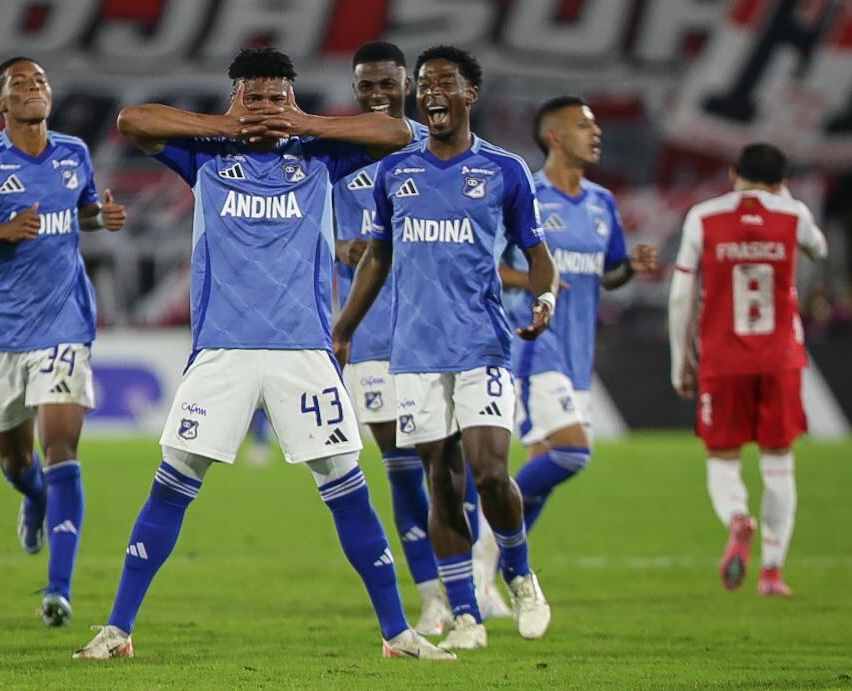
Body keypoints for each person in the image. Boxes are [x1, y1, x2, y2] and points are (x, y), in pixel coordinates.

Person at [74, 47, 453, 661]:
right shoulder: (205, 157)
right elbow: (132, 121)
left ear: (294, 101)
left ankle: (398, 634)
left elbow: (397, 130)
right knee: (173, 484)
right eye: (255, 99)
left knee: (346, 487)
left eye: (278, 98)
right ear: (234, 100)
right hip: (221, 352)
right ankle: (118, 629)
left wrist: (302, 124)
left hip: (302, 351)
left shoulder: (319, 156)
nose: (267, 109)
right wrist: (228, 126)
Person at [334, 45, 558, 650]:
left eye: (445, 83)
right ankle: (465, 615)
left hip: (482, 344)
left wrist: (544, 302)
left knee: (488, 473)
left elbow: (536, 255)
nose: (433, 93)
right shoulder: (394, 173)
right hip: (414, 351)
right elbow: (376, 257)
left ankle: (518, 571)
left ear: (469, 95)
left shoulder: (505, 171)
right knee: (441, 478)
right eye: (427, 84)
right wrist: (344, 328)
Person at [0, 56, 127, 626]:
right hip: (1, 332)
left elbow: (77, 211)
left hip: (66, 323)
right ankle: (32, 498)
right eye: (21, 84)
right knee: (17, 465)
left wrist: (100, 216)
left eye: (40, 81)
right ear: (1, 104)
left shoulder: (74, 153)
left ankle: (58, 590)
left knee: (61, 448)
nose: (34, 89)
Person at [668, 142, 827, 597]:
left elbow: (681, 296)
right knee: (779, 464)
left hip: (722, 359)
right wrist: (787, 201)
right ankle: (773, 572)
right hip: (780, 358)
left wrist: (681, 361)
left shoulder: (704, 215)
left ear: (733, 172)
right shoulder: (793, 215)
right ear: (781, 180)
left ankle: (738, 517)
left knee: (723, 458)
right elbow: (821, 250)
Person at [500, 96, 658, 531]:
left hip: (578, 350)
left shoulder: (602, 202)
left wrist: (630, 268)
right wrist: (536, 281)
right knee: (572, 452)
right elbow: (488, 266)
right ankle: (482, 539)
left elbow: (607, 276)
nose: (597, 133)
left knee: (542, 470)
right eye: (584, 126)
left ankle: (502, 572)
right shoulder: (524, 194)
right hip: (534, 342)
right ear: (554, 136)